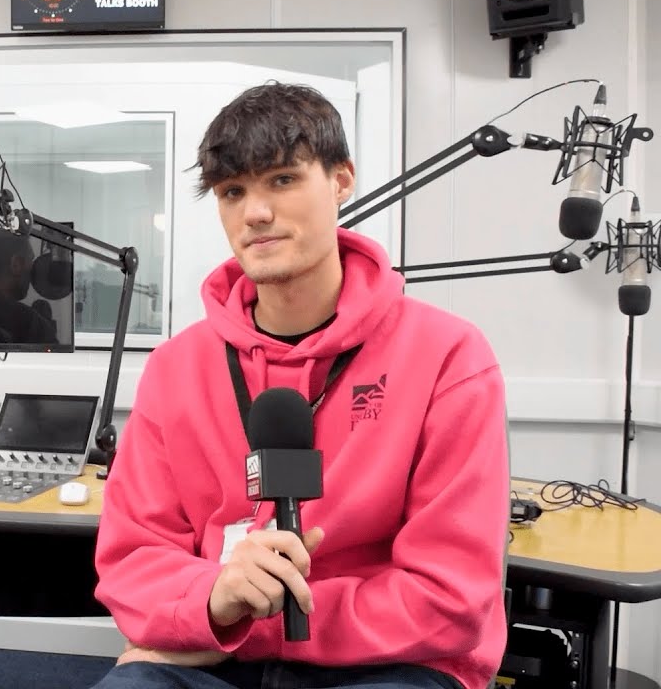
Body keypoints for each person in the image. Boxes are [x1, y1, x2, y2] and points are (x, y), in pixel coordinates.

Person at [91, 83, 510, 689]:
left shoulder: (448, 356)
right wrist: (214, 600)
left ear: (341, 181)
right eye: (233, 191)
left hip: (391, 661)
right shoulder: (175, 368)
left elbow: (450, 596)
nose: (254, 212)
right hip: (225, 652)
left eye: (282, 180)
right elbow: (135, 557)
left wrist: (256, 621)